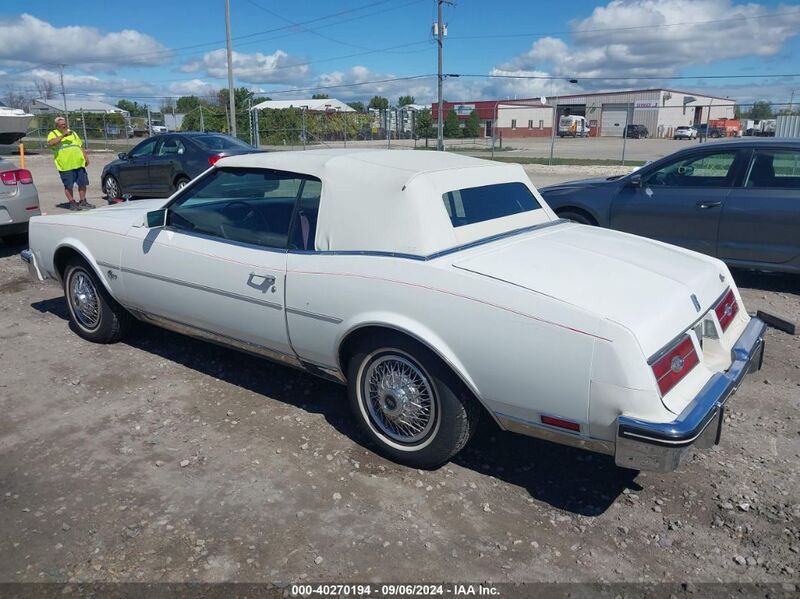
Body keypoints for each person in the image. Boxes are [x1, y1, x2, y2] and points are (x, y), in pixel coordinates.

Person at [47, 117, 94, 211]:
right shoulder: (53, 133)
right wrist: (63, 135)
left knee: (82, 183)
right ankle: (72, 203)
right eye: (61, 124)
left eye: (65, 124)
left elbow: (79, 145)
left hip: (78, 162)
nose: (64, 126)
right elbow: (51, 143)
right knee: (68, 185)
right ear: (57, 126)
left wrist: (85, 157)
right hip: (65, 165)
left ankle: (82, 201)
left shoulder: (73, 133)